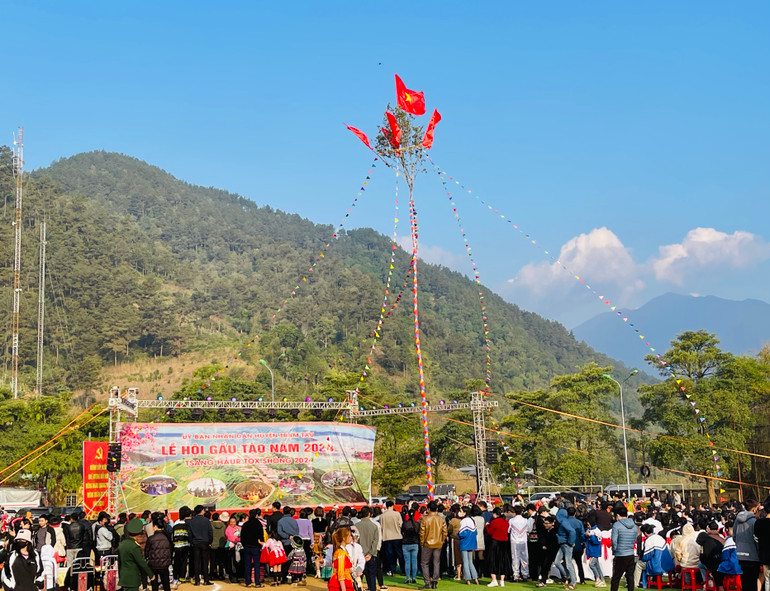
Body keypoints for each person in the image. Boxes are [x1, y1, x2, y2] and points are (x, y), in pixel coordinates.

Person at [118, 518, 156, 591]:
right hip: (133, 579)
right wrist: (151, 575)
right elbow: (141, 562)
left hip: (123, 578)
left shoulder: (122, 544)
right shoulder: (134, 547)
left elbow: (120, 563)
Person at [420, 501, 448, 590]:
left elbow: (422, 533)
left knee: (425, 563)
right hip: (438, 543)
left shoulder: (425, 519)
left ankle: (427, 582)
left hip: (427, 543)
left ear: (428, 509)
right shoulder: (441, 519)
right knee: (436, 562)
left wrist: (422, 542)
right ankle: (435, 580)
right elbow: (445, 531)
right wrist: (442, 540)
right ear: (436, 509)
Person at [734, 499, 760, 591]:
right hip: (753, 555)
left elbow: (734, 536)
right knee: (752, 582)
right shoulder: (754, 522)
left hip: (740, 554)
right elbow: (757, 539)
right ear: (753, 509)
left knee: (744, 581)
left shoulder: (737, 520)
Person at [610, 505, 637, 591]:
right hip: (630, 553)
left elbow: (614, 541)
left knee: (616, 578)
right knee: (630, 576)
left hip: (620, 553)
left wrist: (614, 550)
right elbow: (634, 538)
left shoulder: (616, 525)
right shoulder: (633, 525)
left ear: (618, 515)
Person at [485, 507, 511, 588]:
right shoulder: (506, 522)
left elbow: (490, 532)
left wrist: (487, 526)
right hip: (504, 543)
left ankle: (494, 580)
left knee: (493, 561)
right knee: (502, 561)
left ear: (495, 514)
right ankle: (502, 581)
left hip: (495, 542)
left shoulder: (494, 522)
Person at [355, 507, 380, 591]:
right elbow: (375, 541)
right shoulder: (374, 526)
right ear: (369, 514)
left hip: (359, 556)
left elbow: (355, 541)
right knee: (372, 576)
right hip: (370, 556)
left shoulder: (356, 526)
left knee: (358, 577)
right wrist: (370, 553)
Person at [188, 504, 214, 586]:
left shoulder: (191, 521)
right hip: (205, 542)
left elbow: (189, 534)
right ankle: (206, 580)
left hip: (195, 543)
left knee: (196, 562)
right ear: (202, 511)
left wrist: (192, 541)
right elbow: (210, 532)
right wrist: (209, 541)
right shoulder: (206, 520)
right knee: (205, 562)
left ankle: (197, 580)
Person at [145, 518, 173, 591]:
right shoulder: (167, 537)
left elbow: (146, 552)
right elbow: (170, 549)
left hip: (153, 564)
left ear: (155, 526)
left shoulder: (151, 538)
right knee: (166, 585)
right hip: (164, 564)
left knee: (154, 585)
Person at [554, 506, 577, 589]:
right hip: (563, 544)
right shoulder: (564, 521)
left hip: (566, 545)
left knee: (568, 564)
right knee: (557, 562)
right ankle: (567, 575)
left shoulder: (564, 522)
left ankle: (573, 581)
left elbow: (572, 531)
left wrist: (571, 542)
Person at [241, 508, 265, 588]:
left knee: (247, 565)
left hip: (247, 546)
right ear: (256, 515)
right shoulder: (258, 524)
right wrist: (261, 545)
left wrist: (244, 545)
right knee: (256, 564)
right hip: (255, 546)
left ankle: (248, 582)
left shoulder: (245, 524)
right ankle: (257, 582)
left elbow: (242, 537)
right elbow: (261, 536)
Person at [380, 501, 403, 578]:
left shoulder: (382, 516)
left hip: (387, 537)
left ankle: (392, 570)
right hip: (397, 536)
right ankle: (403, 570)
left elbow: (381, 527)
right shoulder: (397, 514)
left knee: (390, 555)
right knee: (400, 554)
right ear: (393, 506)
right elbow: (401, 524)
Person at [458, 506, 479, 585]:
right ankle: (476, 578)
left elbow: (461, 533)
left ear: (465, 512)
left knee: (465, 562)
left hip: (464, 543)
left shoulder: (463, 521)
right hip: (472, 543)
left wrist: (458, 535)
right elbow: (475, 532)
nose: (460, 513)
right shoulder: (472, 520)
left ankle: (468, 579)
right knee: (470, 561)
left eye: (461, 511)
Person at [535, 515, 558, 588]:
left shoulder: (555, 531)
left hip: (553, 551)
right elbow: (541, 539)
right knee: (544, 566)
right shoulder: (543, 531)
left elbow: (555, 542)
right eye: (544, 523)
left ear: (552, 523)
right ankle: (543, 581)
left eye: (547, 523)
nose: (545, 525)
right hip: (545, 552)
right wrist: (543, 545)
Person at [508, 505, 529, 582]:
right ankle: (525, 575)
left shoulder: (511, 521)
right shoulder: (526, 520)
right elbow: (528, 530)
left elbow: (508, 530)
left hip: (514, 541)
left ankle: (516, 575)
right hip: (523, 540)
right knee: (524, 557)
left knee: (515, 557)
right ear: (522, 512)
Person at [172, 506, 192, 586]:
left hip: (176, 546)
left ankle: (175, 577)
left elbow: (172, 537)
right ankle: (182, 577)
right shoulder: (188, 526)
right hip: (185, 546)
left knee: (176, 562)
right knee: (184, 562)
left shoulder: (175, 526)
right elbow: (189, 536)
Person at [401, 509, 420, 585]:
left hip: (406, 543)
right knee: (414, 561)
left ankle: (408, 578)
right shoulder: (417, 524)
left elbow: (402, 531)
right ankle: (414, 578)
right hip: (415, 543)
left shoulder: (405, 524)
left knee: (407, 562)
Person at [585, 520, 606, 587]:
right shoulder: (589, 530)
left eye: (588, 525)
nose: (588, 526)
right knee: (597, 566)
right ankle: (602, 580)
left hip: (595, 550)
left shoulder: (597, 531)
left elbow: (597, 542)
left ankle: (597, 578)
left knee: (592, 565)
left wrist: (591, 536)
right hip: (591, 550)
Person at [225, 514, 242, 583]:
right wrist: (238, 539)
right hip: (231, 548)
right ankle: (233, 577)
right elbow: (230, 538)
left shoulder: (239, 528)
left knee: (238, 562)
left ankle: (238, 575)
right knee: (232, 563)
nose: (232, 523)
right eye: (231, 522)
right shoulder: (228, 529)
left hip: (239, 547)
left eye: (234, 522)